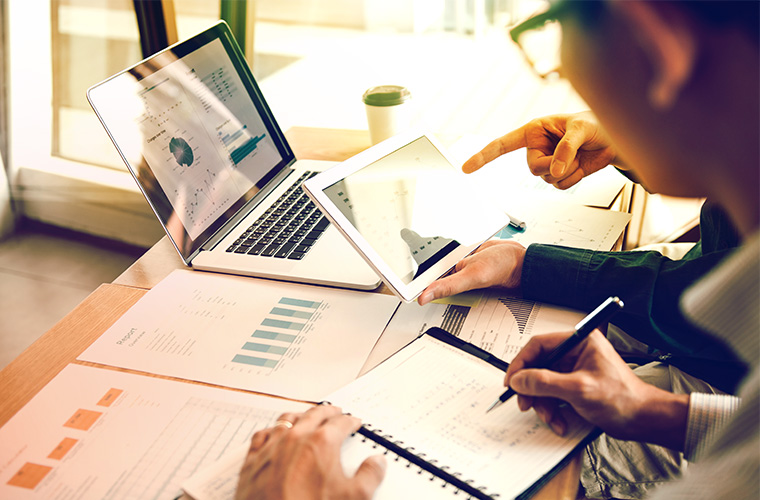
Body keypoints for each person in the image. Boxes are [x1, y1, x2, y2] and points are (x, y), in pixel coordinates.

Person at [235, 1, 759, 499]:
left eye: (555, 21)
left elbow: (690, 297)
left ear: (657, 38)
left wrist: (526, 264)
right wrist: (646, 409)